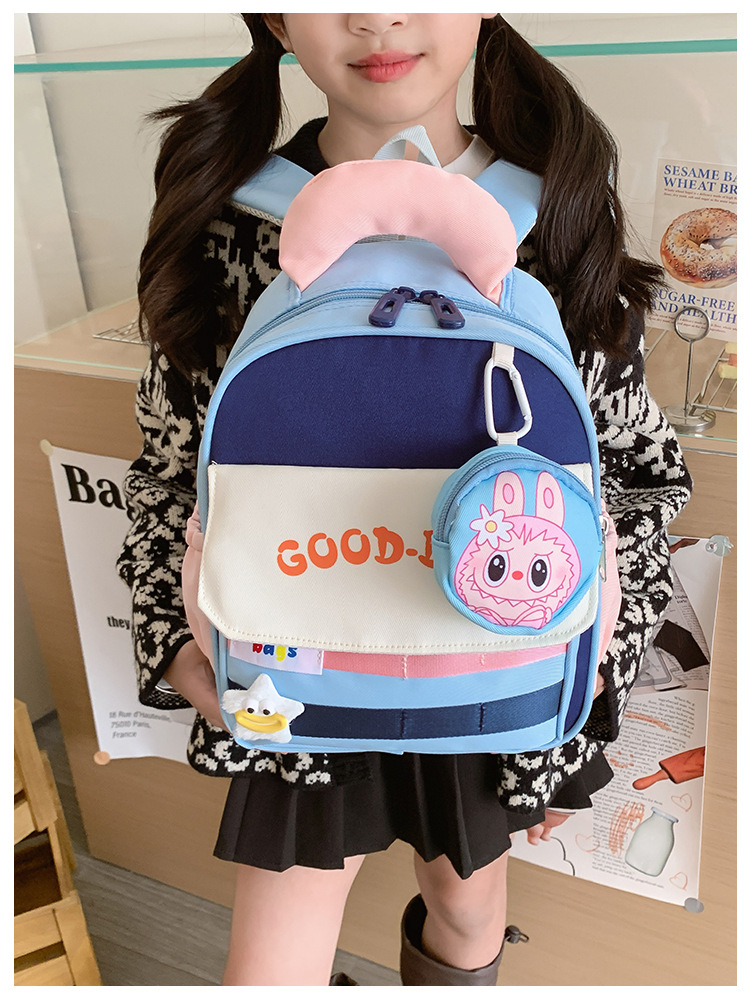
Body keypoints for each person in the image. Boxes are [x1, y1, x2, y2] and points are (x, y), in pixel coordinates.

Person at [117, 13, 692, 987]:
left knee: (467, 913)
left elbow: (631, 476)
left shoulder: (553, 210)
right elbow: (174, 466)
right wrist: (173, 640)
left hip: (498, 657)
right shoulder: (230, 217)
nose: (377, 14)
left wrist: (593, 664)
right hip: (294, 663)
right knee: (269, 965)